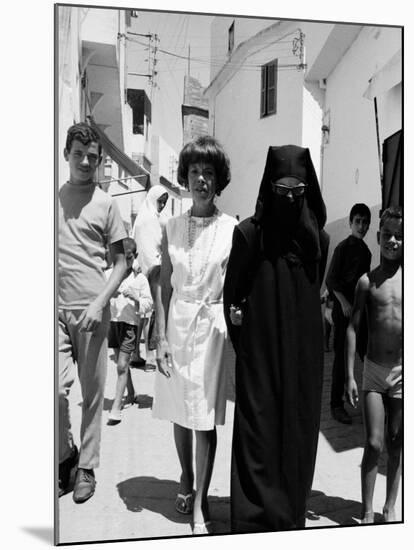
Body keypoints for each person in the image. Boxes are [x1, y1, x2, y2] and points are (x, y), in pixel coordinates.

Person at [223, 145, 329, 533]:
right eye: (281, 188)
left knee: (296, 435)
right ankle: (250, 522)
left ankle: (289, 518)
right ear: (269, 187)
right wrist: (248, 346)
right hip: (260, 358)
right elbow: (231, 298)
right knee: (258, 434)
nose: (288, 197)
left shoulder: (318, 241)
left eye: (297, 189)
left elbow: (312, 293)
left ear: (307, 190)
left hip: (303, 361)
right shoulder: (250, 235)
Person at [152, 135, 237, 535]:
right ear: (184, 178)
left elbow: (237, 285)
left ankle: (201, 503)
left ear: (219, 179)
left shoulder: (231, 228)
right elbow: (165, 285)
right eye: (194, 172)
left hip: (212, 328)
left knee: (204, 419)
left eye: (208, 172)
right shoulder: (170, 227)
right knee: (179, 412)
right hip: (178, 324)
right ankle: (186, 476)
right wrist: (161, 338)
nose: (201, 179)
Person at [58, 122, 127, 502]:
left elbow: (121, 263)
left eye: (92, 157)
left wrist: (100, 302)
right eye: (79, 154)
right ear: (66, 155)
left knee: (92, 393)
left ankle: (85, 466)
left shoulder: (106, 204)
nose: (85, 162)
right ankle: (65, 455)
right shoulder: (52, 198)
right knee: (54, 391)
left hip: (92, 312)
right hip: (54, 312)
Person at [345, 206, 402, 524]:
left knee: (398, 444)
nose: (393, 240)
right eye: (388, 234)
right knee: (374, 442)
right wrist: (348, 377)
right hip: (373, 372)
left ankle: (390, 506)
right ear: (378, 236)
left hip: (403, 373)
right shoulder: (367, 282)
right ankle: (367, 510)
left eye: (399, 236)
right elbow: (352, 327)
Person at [326, 203, 372, 424]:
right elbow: (331, 280)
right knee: (342, 360)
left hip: (359, 314)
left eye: (365, 223)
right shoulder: (342, 248)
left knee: (366, 353)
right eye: (358, 221)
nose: (361, 226)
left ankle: (372, 398)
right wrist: (343, 302)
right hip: (343, 313)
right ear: (350, 223)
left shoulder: (366, 252)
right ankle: (336, 404)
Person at [107, 238, 153, 423]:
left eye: (129, 257)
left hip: (130, 325)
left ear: (135, 256)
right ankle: (131, 393)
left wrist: (136, 298)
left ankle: (116, 408)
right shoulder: (109, 274)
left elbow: (148, 304)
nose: (126, 262)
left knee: (121, 365)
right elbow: (99, 295)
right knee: (121, 363)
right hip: (113, 322)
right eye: (122, 257)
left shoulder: (140, 279)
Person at [131, 185, 169, 370]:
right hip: (151, 270)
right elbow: (150, 247)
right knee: (149, 313)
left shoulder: (142, 217)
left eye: (164, 202)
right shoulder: (149, 220)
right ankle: (150, 357)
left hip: (141, 269)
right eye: (160, 201)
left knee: (142, 315)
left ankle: (135, 353)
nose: (161, 205)